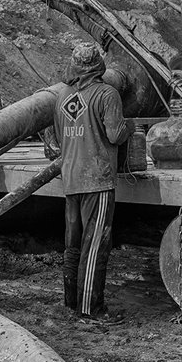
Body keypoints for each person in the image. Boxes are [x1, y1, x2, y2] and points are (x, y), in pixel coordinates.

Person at [42, 41, 131, 320]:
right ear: (99, 66)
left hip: (70, 180)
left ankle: (71, 302)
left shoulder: (62, 97)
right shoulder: (107, 94)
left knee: (74, 245)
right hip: (98, 180)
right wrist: (131, 126)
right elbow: (115, 135)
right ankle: (92, 309)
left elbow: (54, 143)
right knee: (95, 246)